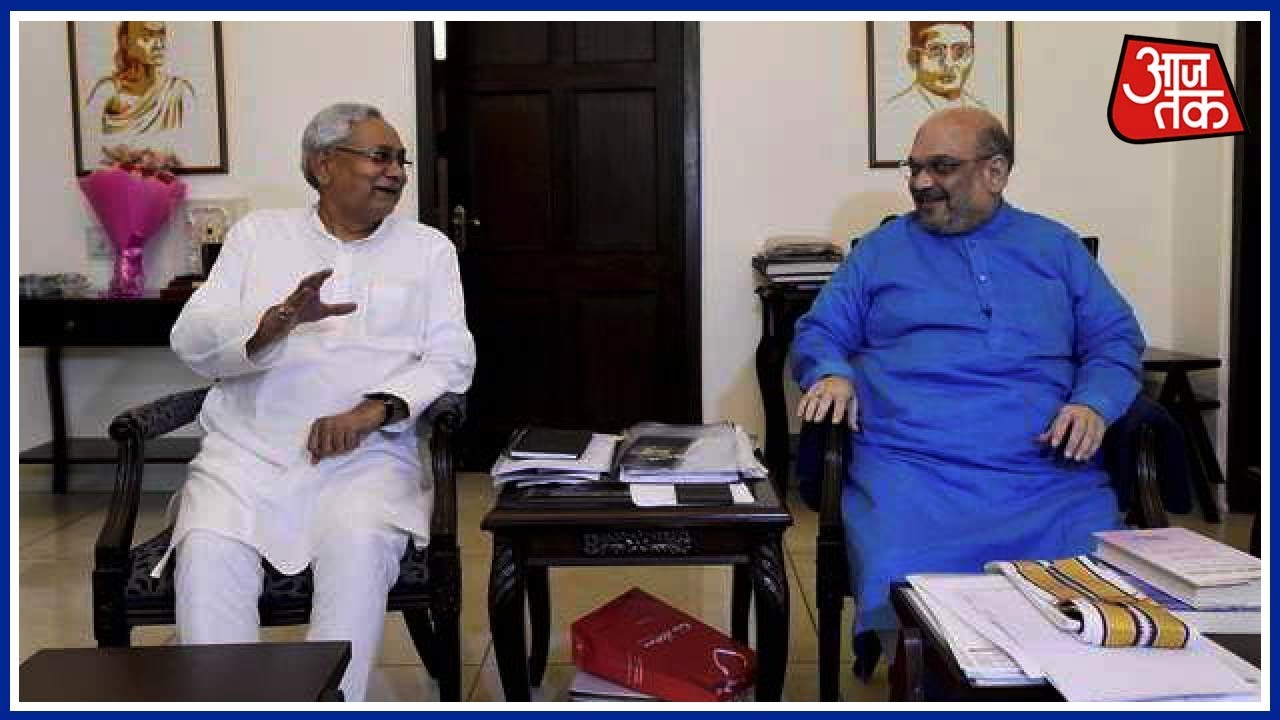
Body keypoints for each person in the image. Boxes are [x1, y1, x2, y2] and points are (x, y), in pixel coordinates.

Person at [792, 107, 1144, 670]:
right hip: (913, 469)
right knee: (900, 567)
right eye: (914, 167)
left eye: (941, 166)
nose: (920, 182)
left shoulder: (1056, 248)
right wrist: (830, 371)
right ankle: (927, 684)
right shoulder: (879, 251)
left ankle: (1060, 687)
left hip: (1045, 473)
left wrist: (1093, 403)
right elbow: (820, 330)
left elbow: (1116, 338)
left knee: (1098, 589)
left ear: (995, 172)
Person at [163, 102, 475, 701]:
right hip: (245, 457)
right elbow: (191, 337)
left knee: (358, 548)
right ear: (324, 165)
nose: (396, 172)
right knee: (207, 554)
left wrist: (374, 410)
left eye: (400, 159)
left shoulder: (428, 249)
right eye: (380, 157)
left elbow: (451, 357)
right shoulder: (259, 236)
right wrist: (273, 323)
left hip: (366, 459)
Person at [88, 21, 195, 136]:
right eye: (147, 37)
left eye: (161, 35)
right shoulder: (107, 91)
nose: (159, 45)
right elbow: (88, 134)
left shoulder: (179, 92)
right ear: (126, 42)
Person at [884, 21, 985, 114]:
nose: (949, 64)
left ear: (972, 55)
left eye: (960, 51)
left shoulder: (981, 111)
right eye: (936, 52)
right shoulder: (896, 110)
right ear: (914, 58)